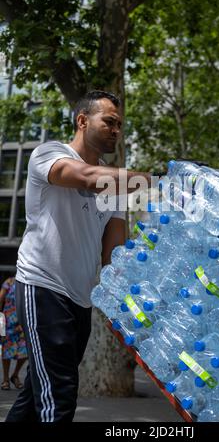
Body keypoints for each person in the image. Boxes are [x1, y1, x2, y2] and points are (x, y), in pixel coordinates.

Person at [5, 90, 152, 422]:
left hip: (81, 299)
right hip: (42, 287)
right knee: (59, 396)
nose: (116, 130)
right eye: (109, 122)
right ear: (83, 121)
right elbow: (85, 177)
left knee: (36, 394)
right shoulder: (50, 153)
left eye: (120, 125)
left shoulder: (116, 184)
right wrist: (159, 182)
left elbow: (114, 255)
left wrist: (134, 304)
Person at [0, 276, 27, 391]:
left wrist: (24, 322)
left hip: (22, 323)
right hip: (8, 323)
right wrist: (1, 322)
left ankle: (15, 375)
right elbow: (0, 300)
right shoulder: (9, 282)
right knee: (6, 350)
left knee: (25, 351)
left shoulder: (28, 283)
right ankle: (5, 379)